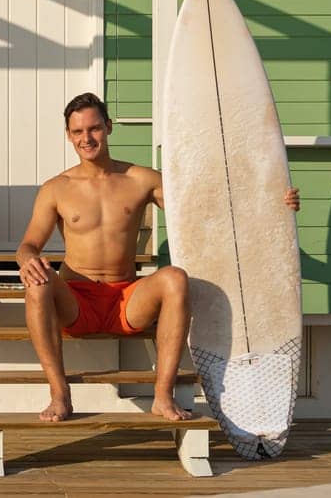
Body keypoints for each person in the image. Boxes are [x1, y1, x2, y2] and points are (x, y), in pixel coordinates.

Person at [16, 91, 300, 422]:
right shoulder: (56, 188)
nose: (86, 138)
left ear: (107, 127)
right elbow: (28, 244)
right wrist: (27, 260)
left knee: (175, 278)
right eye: (78, 132)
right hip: (77, 300)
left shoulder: (140, 179)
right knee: (37, 282)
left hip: (125, 297)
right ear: (68, 135)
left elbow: (203, 213)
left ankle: (163, 396)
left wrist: (270, 204)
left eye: (93, 129)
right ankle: (60, 393)